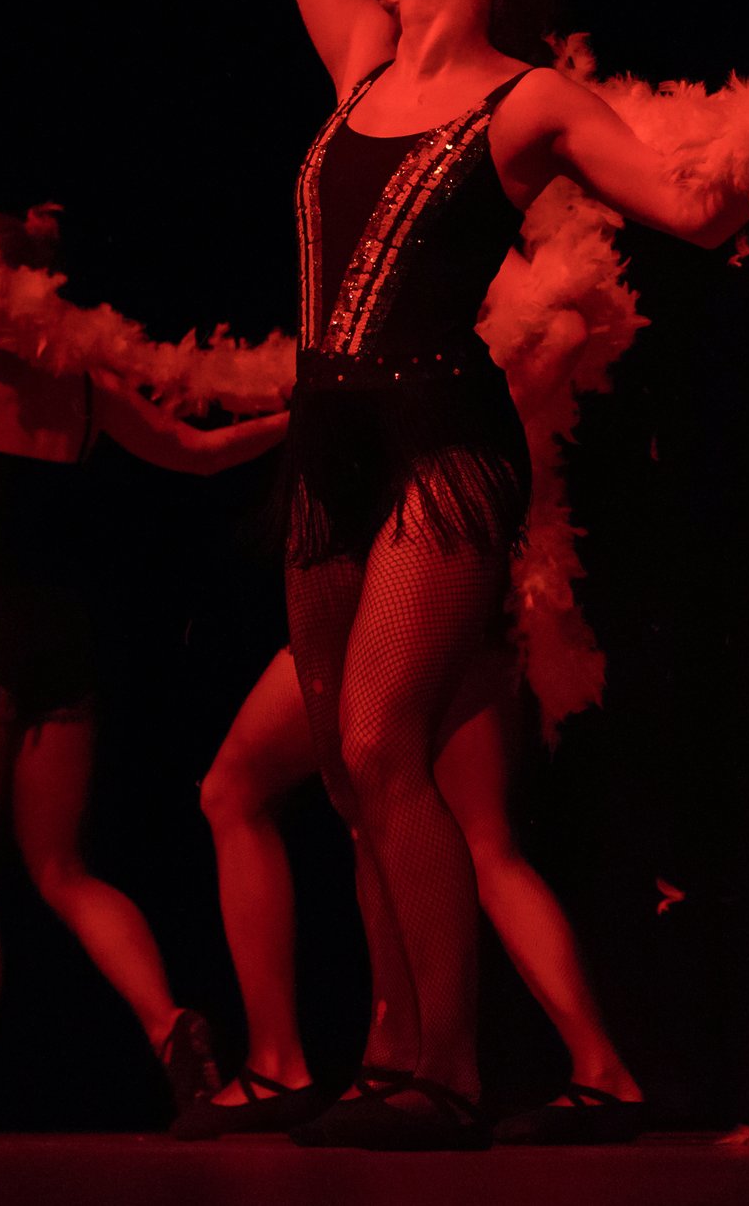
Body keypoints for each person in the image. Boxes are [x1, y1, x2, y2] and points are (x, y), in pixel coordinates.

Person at [240, 0, 749, 1150]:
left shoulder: (531, 98)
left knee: (381, 735)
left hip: (441, 440)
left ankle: (449, 1071)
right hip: (327, 439)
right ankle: (392, 1052)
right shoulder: (359, 54)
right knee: (353, 776)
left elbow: (687, 208)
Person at [0, 221, 287, 1137]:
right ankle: (168, 1022)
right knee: (63, 869)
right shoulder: (87, 389)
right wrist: (301, 420)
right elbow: (197, 453)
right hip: (60, 646)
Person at [179, 294, 644, 1145]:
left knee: (272, 785)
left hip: (436, 563)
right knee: (466, 835)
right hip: (452, 567)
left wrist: (432, 400)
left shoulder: (478, 278)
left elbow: (557, 342)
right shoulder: (407, 286)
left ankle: (316, 1058)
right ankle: (587, 1066)